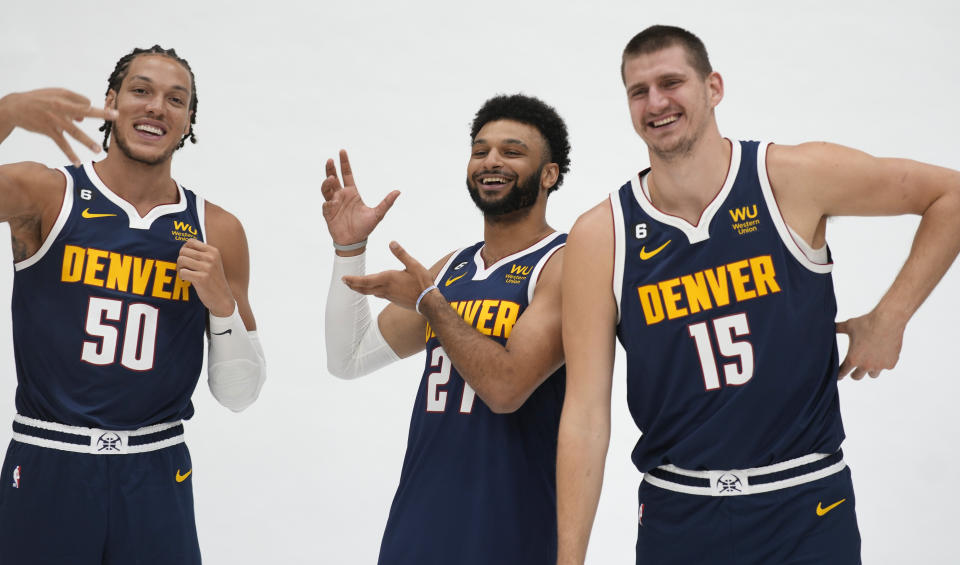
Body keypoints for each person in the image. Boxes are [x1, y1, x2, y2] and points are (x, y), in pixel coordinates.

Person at [556, 25, 960, 565]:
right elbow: (584, 414)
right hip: (679, 512)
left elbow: (949, 195)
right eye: (638, 90)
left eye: (671, 82)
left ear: (713, 86)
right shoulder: (601, 234)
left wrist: (892, 316)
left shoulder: (789, 178)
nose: (656, 102)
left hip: (806, 504)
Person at [0, 46, 265, 564]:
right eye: (141, 91)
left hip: (156, 470)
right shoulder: (48, 193)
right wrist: (6, 112)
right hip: (49, 459)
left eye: (175, 99)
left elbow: (240, 394)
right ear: (111, 101)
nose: (156, 107)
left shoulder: (219, 229)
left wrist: (222, 306)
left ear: (189, 121)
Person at [323, 94, 570, 564]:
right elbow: (347, 359)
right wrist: (349, 249)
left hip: (508, 529)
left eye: (512, 151)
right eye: (480, 151)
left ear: (549, 174)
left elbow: (505, 389)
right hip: (417, 524)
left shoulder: (564, 263)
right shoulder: (452, 267)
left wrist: (431, 303)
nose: (491, 160)